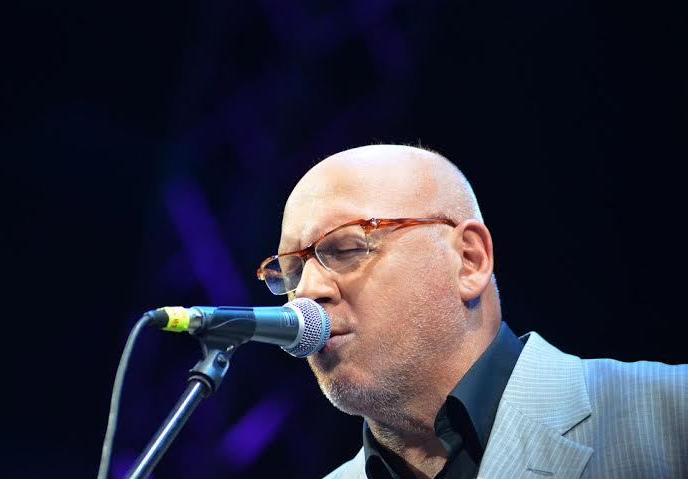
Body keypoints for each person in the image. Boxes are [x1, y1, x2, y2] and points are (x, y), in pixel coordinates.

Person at [255, 144, 687, 479]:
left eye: (348, 248)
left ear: (469, 260)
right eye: (291, 272)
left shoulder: (673, 413)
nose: (305, 292)